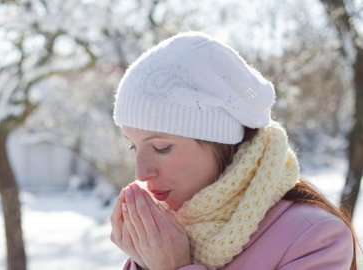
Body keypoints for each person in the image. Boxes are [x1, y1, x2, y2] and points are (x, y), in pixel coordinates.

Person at [110, 31, 357, 270]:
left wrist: (174, 267)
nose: (141, 173)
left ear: (222, 143)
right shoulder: (165, 235)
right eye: (134, 146)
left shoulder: (314, 239)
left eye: (161, 147)